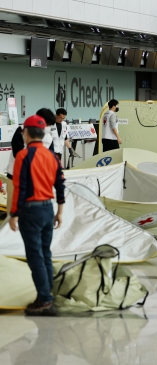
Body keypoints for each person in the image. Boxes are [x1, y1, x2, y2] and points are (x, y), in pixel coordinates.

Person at [9, 115, 65, 316]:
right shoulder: (51, 156)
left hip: (30, 211)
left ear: (27, 133)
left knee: (35, 257)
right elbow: (60, 184)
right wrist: (59, 211)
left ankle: (45, 300)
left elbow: (19, 187)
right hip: (47, 210)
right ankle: (47, 295)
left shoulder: (23, 156)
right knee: (46, 254)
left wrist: (14, 214)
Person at [5, 108, 56, 212]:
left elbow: (51, 158)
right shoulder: (21, 131)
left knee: (30, 212)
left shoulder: (48, 137)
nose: (47, 127)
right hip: (15, 177)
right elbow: (18, 153)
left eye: (49, 125)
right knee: (13, 211)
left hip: (35, 180)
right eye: (46, 124)